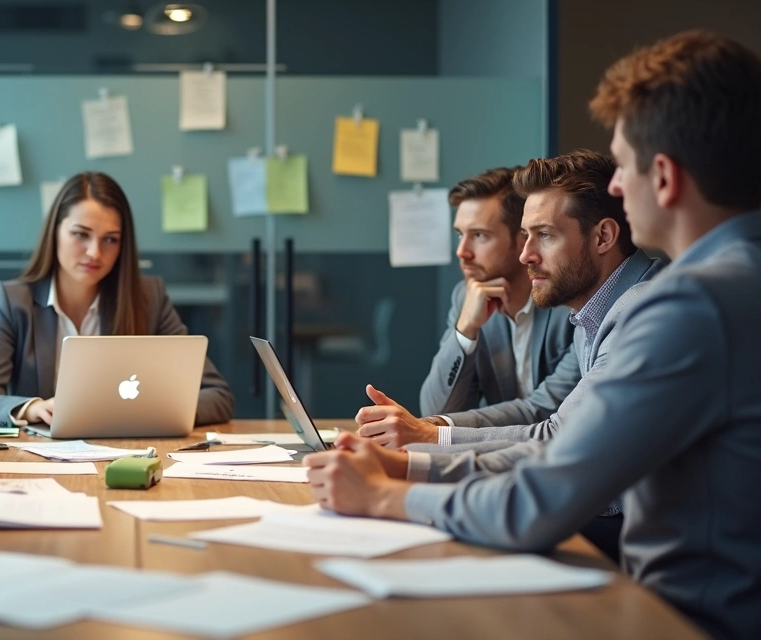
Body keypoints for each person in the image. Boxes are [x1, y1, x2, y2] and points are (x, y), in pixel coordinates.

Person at [303, 31, 761, 639]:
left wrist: (384, 496)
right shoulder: (732, 282)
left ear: (665, 176)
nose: (618, 190)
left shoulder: (688, 306)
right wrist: (408, 465)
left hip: (680, 620)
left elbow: (541, 499)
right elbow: (558, 443)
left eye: (622, 167)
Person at [357, 150, 663, 449]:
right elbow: (435, 409)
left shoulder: (634, 310)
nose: (525, 254)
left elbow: (557, 432)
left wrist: (427, 439)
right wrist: (464, 335)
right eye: (527, 234)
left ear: (603, 237)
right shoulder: (589, 310)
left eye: (544, 234)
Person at [0, 172, 234, 427]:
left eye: (110, 239)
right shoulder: (12, 301)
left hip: (127, 453)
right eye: (81, 234)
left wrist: (147, 412)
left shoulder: (149, 298)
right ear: (55, 231)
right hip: (42, 459)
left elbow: (218, 396)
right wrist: (32, 408)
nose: (94, 252)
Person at [419, 167, 579, 420]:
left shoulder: (570, 301)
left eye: (479, 235)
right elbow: (436, 411)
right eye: (460, 234)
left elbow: (550, 412)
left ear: (522, 240)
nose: (462, 252)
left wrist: (444, 427)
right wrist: (464, 331)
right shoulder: (466, 298)